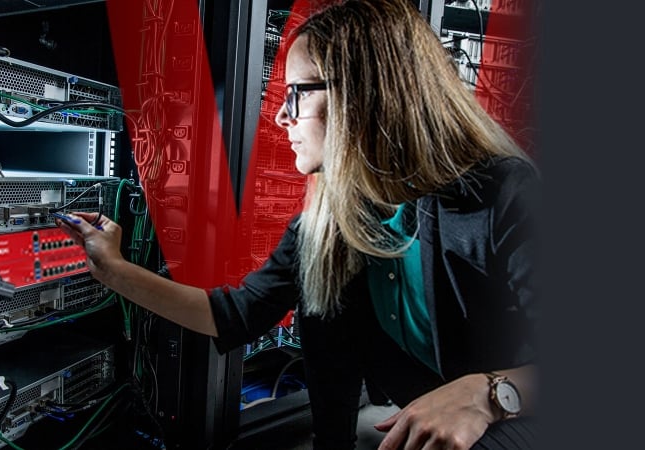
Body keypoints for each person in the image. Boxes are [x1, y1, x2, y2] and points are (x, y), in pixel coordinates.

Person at [55, 0, 540, 449]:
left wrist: (489, 394)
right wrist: (112, 268)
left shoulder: (501, 196)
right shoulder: (328, 225)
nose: (282, 118)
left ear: (363, 94)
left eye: (297, 95)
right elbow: (238, 313)